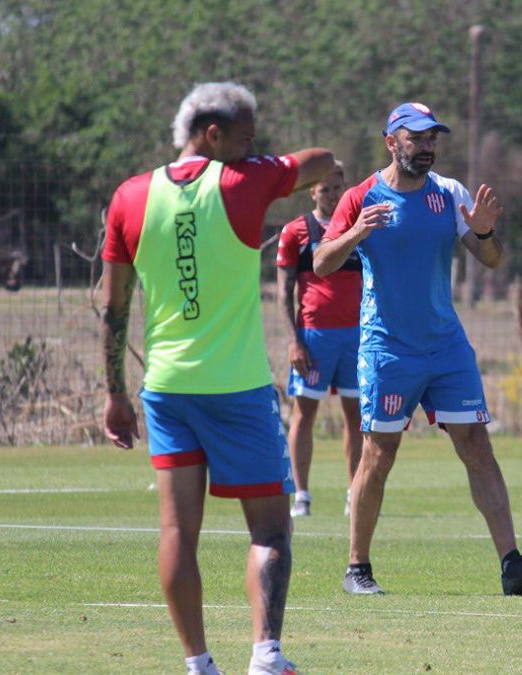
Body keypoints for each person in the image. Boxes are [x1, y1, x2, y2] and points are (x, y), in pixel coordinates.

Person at [101, 81, 334, 675]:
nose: (253, 147)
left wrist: (115, 393)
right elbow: (323, 162)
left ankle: (199, 664)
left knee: (177, 532)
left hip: (166, 390)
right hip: (237, 390)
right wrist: (262, 165)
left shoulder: (129, 196)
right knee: (271, 530)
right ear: (213, 134)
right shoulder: (241, 181)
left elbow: (113, 307)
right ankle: (266, 656)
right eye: (247, 137)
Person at [313, 102, 522, 596]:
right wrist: (357, 232)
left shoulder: (449, 193)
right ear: (391, 142)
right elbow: (321, 263)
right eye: (417, 138)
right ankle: (357, 569)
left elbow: (491, 259)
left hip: (446, 348)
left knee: (477, 445)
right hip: (387, 349)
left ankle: (512, 566)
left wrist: (484, 231)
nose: (427, 147)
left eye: (432, 139)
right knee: (378, 453)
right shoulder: (360, 196)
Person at [275, 160, 363, 517]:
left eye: (337, 187)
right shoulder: (296, 231)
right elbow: (283, 293)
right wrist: (294, 341)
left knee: (357, 416)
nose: (332, 195)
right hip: (314, 338)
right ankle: (302, 495)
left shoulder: (359, 227)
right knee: (304, 414)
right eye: (325, 189)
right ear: (311, 191)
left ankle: (355, 494)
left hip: (358, 338)